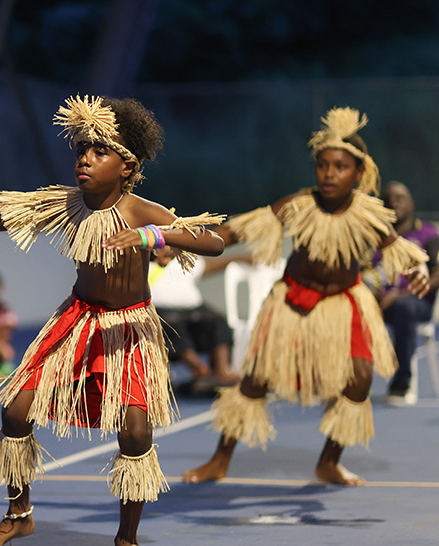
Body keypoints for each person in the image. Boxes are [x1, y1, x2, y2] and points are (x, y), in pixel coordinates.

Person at [0, 95, 225, 546]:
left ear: (127, 165)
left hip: (130, 329)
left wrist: (154, 236)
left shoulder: (142, 211)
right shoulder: (66, 204)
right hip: (77, 321)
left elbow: (213, 240)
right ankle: (18, 513)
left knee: (135, 433)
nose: (84, 159)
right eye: (81, 149)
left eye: (98, 150)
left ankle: (126, 539)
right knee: (15, 409)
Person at [182, 107, 430, 488]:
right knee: (255, 383)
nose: (329, 174)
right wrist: (174, 239)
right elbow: (233, 233)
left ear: (359, 173)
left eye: (340, 167)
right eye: (323, 165)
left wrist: (421, 268)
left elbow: (403, 252)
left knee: (360, 379)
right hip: (292, 302)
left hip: (344, 305)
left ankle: (328, 462)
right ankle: (219, 460)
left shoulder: (369, 215)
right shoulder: (299, 204)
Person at [364, 181, 439, 405]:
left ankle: (401, 381)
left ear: (411, 203)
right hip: (378, 305)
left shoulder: (427, 234)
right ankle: (348, 379)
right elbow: (361, 271)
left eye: (399, 197)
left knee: (403, 308)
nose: (393, 201)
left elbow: (437, 273)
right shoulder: (375, 239)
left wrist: (400, 295)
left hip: (415, 304)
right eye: (388, 199)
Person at [150, 247, 249, 392]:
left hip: (194, 309)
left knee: (217, 322)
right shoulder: (145, 263)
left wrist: (238, 258)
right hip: (161, 310)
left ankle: (222, 371)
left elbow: (209, 266)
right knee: (172, 327)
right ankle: (200, 369)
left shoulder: (184, 259)